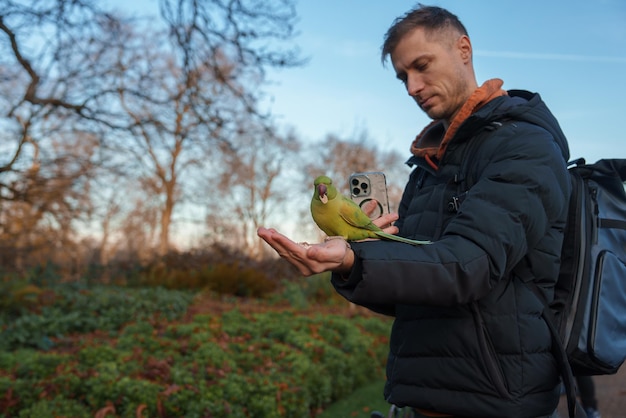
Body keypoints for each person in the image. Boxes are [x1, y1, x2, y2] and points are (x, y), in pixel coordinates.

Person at [258, 5, 571, 418]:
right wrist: (358, 262)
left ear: (463, 49)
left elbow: (466, 267)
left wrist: (360, 258)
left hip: (493, 401)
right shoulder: (428, 167)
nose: (412, 87)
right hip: (420, 399)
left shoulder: (524, 146)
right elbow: (416, 295)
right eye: (403, 76)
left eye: (421, 66)